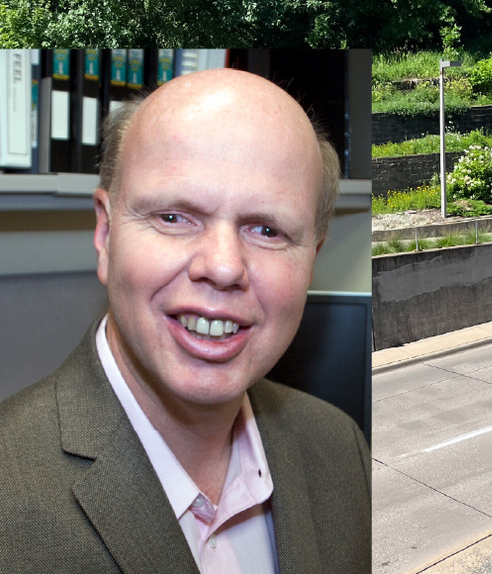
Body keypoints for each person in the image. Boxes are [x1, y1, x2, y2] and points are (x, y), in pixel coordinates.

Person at [0, 68, 370, 573]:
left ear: (312, 259)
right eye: (174, 217)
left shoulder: (341, 447)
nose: (223, 267)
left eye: (267, 229)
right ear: (106, 234)